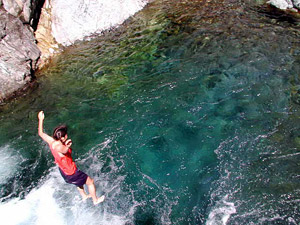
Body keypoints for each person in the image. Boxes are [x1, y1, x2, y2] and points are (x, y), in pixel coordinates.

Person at [38, 111, 105, 205]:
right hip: (72, 173)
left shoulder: (52, 141)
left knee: (79, 182)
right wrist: (67, 146)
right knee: (90, 182)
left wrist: (41, 119)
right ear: (64, 137)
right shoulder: (60, 147)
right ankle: (95, 200)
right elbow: (63, 150)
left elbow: (41, 133)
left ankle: (84, 196)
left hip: (64, 172)